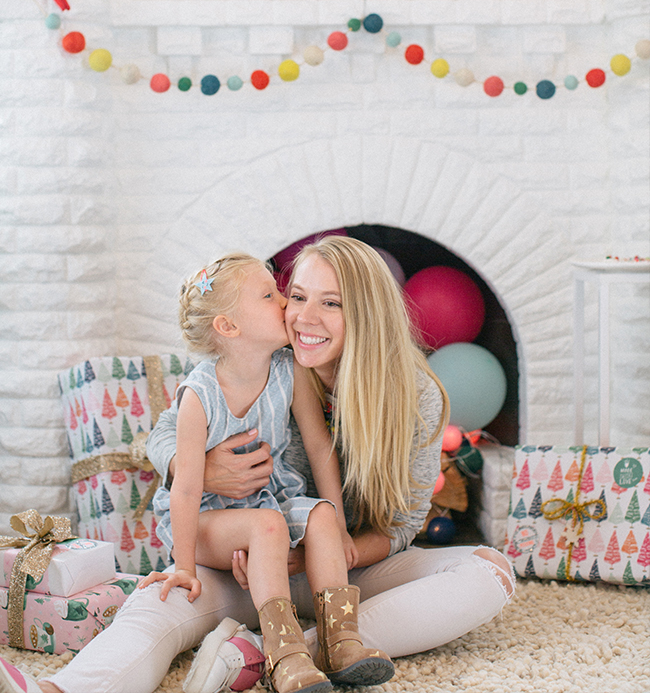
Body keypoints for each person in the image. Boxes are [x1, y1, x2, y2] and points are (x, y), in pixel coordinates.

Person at [0, 236, 515, 693]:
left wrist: (332, 547)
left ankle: (284, 651)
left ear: (367, 314)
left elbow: (403, 524)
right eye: (296, 297)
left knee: (487, 572)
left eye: (330, 303)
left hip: (342, 567)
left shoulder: (414, 396)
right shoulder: (263, 361)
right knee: (155, 606)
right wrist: (198, 467)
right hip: (248, 562)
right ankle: (58, 689)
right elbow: (162, 433)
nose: (302, 317)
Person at [138, 253, 393, 693]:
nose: (284, 304)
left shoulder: (287, 369)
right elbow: (185, 490)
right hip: (205, 520)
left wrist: (337, 522)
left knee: (318, 516)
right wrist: (183, 567)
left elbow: (318, 444)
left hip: (264, 503)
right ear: (228, 327)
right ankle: (285, 655)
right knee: (269, 525)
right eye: (269, 295)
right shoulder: (199, 396)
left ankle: (341, 641)